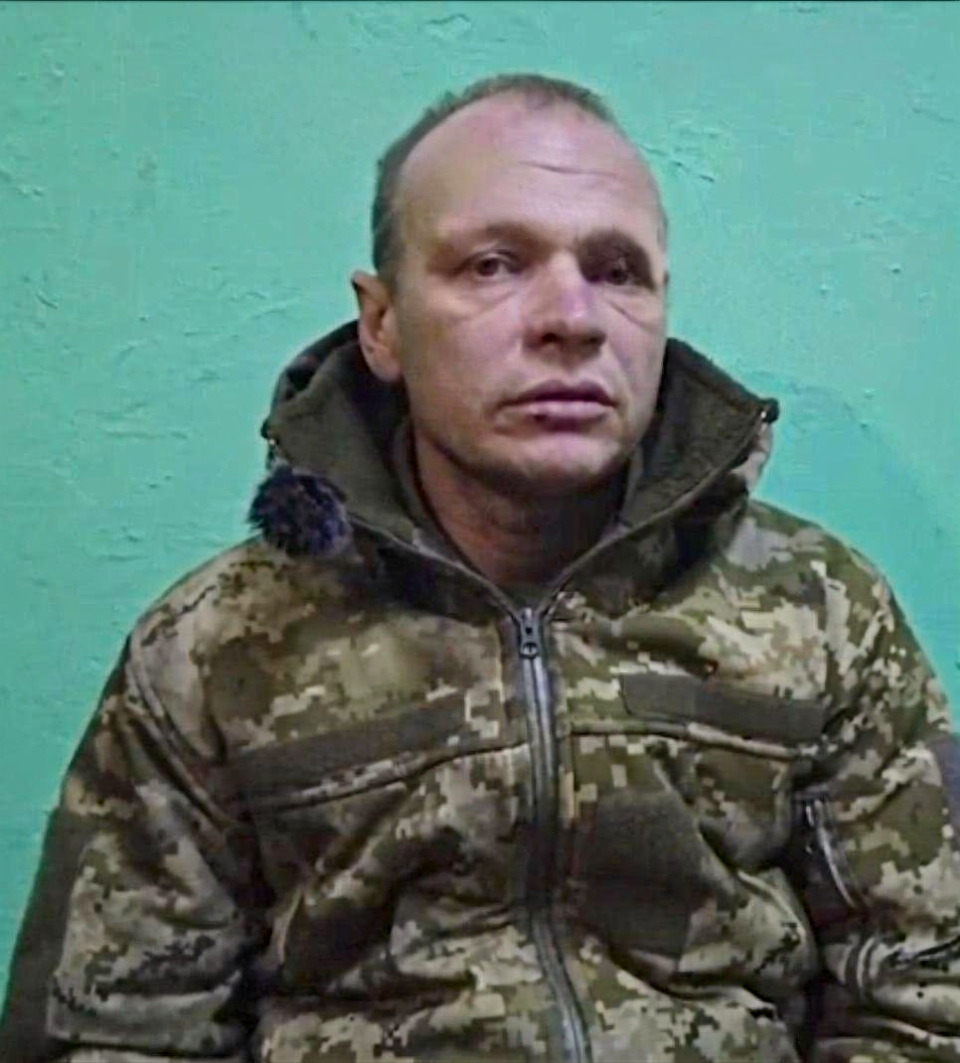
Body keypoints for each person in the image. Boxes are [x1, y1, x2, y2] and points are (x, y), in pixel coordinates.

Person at [1, 71, 958, 1063]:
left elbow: (930, 995)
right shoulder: (216, 647)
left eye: (619, 270)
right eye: (494, 264)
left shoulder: (819, 610)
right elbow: (110, 1033)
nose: (572, 318)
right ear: (382, 323)